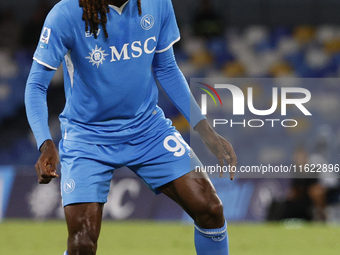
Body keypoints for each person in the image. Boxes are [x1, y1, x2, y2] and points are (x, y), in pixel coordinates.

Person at [24, 0, 237, 254]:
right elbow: (36, 83)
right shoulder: (67, 13)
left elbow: (167, 68)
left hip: (149, 130)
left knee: (210, 208)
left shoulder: (157, 3)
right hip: (88, 138)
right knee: (82, 242)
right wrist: (45, 143)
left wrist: (204, 129)